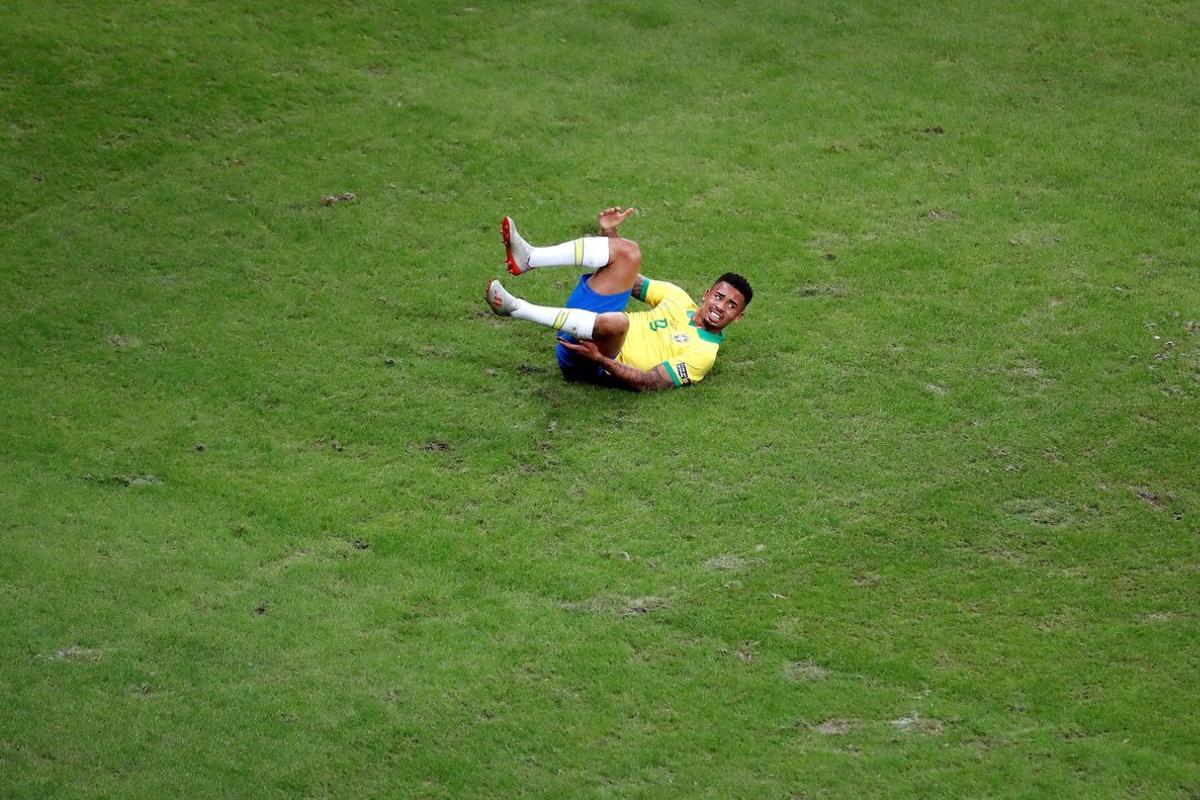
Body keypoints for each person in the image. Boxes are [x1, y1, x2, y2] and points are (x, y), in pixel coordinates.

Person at [485, 206, 752, 391]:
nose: (720, 306)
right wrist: (611, 238)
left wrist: (600, 359)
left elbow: (651, 382)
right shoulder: (678, 298)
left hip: (591, 361)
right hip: (587, 324)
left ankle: (516, 308)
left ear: (738, 317)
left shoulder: (704, 353)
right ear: (707, 294)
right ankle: (530, 258)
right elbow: (626, 275)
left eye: (731, 306)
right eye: (719, 296)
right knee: (629, 253)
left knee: (619, 324)